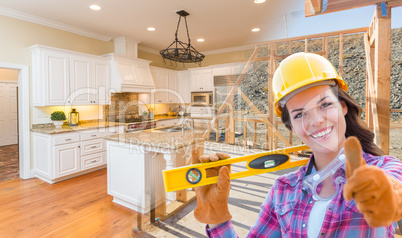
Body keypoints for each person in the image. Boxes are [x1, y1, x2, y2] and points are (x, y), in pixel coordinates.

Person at [192, 52, 402, 237]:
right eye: (300, 114)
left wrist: (384, 194)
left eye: (325, 104)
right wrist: (218, 218)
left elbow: (395, 186)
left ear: (343, 106)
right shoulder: (283, 190)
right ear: (291, 125)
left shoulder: (383, 168)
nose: (316, 121)